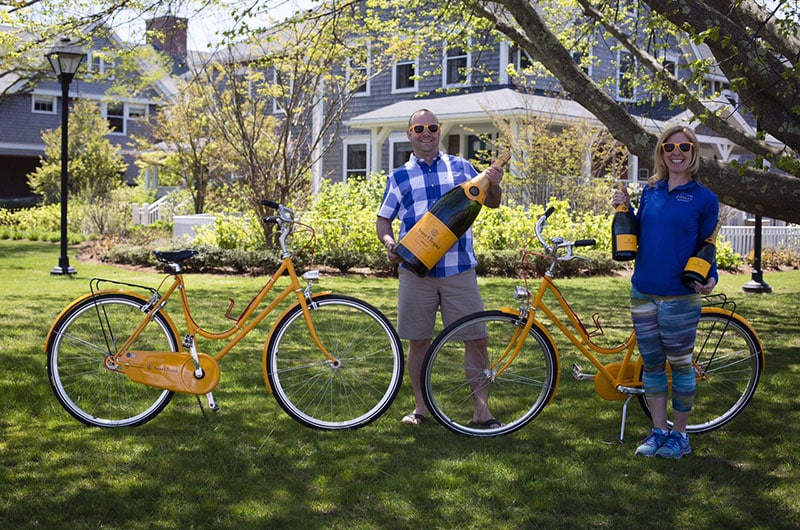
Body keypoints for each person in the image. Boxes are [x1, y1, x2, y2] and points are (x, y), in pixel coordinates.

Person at [376, 108, 504, 427]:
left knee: (476, 338)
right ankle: (421, 410)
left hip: (458, 270)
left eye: (431, 127)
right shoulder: (399, 176)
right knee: (419, 341)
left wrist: (495, 183)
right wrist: (391, 245)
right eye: (419, 128)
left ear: (439, 131)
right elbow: (383, 221)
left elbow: (492, 202)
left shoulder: (461, 167)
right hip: (415, 273)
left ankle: (481, 412)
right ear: (410, 134)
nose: (426, 133)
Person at [612, 124, 719, 459]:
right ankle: (659, 431)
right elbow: (639, 231)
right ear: (660, 153)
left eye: (683, 148)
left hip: (679, 295)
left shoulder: (704, 198)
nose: (676, 153)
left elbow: (707, 244)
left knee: (681, 365)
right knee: (653, 365)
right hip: (643, 290)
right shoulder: (652, 190)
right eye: (669, 148)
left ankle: (681, 435)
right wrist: (625, 209)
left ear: (693, 153)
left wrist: (711, 277)